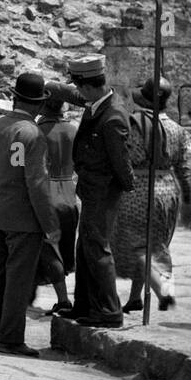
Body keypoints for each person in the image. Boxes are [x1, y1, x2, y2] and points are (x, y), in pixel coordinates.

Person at [0, 73, 59, 357]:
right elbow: (36, 183)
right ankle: (9, 338)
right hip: (24, 219)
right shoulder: (32, 134)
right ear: (37, 105)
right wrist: (49, 224)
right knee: (18, 280)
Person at [63, 54, 134, 329]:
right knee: (85, 247)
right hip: (91, 189)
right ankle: (85, 304)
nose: (78, 92)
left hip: (103, 191)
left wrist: (127, 186)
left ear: (90, 86)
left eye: (79, 87)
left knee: (97, 248)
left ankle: (109, 310)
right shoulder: (98, 104)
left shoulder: (113, 115)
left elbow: (121, 160)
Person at [114, 77, 191, 312]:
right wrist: (187, 195)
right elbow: (183, 168)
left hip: (138, 190)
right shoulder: (177, 130)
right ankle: (137, 297)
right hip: (168, 190)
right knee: (155, 244)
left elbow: (123, 157)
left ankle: (162, 288)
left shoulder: (133, 125)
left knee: (135, 245)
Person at [35, 81, 82, 315]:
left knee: (49, 249)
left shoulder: (38, 131)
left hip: (47, 193)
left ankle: (63, 299)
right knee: (65, 247)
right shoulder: (74, 130)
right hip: (70, 194)